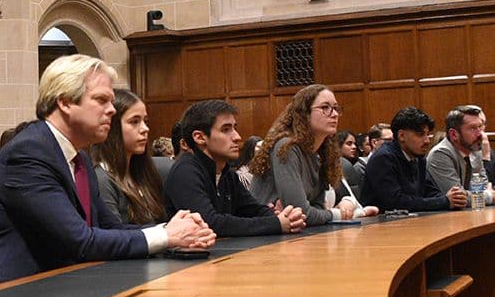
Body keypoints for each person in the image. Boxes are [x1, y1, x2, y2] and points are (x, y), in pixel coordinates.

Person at [0, 55, 215, 294]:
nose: (111, 109)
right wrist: (168, 237)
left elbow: (109, 228)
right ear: (64, 102)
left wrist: (172, 230)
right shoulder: (28, 153)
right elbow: (80, 242)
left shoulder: (79, 156)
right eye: (101, 100)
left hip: (45, 288)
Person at [164, 99, 305, 237]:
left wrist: (286, 218)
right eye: (226, 130)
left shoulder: (227, 173)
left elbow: (254, 209)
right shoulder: (185, 171)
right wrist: (275, 224)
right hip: (196, 259)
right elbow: (210, 223)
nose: (237, 137)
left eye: (234, 128)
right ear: (200, 137)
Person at [249, 85, 375, 225]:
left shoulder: (319, 154)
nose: (334, 114)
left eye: (335, 108)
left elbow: (317, 207)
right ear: (304, 113)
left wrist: (323, 212)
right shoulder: (287, 147)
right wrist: (336, 213)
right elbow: (302, 212)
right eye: (325, 108)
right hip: (264, 238)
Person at [360, 106, 467, 212]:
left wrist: (454, 199)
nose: (427, 141)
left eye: (428, 134)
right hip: (380, 225)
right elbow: (396, 202)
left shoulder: (418, 157)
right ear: (401, 135)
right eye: (420, 134)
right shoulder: (383, 158)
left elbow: (431, 192)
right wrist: (444, 201)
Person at [90, 89, 166, 225]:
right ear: (112, 127)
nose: (145, 129)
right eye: (134, 122)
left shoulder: (143, 173)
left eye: (145, 121)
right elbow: (113, 236)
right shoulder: (102, 179)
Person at [426, 105, 495, 205]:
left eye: (480, 127)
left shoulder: (474, 147)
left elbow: (484, 187)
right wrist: (488, 197)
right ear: (453, 134)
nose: (480, 134)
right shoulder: (440, 154)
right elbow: (458, 198)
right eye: (473, 128)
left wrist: (483, 195)